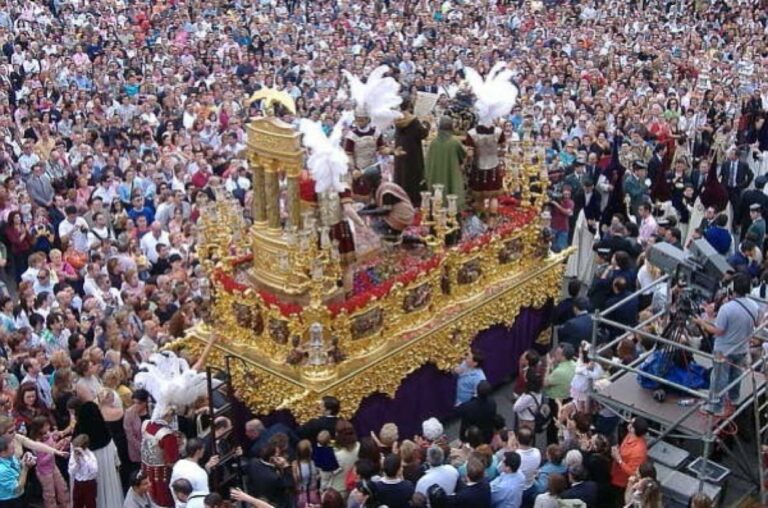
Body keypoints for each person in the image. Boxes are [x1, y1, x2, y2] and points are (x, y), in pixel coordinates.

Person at [693, 273, 760, 415]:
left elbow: (718, 331)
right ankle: (734, 398)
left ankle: (715, 407)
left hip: (723, 350)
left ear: (733, 288)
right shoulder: (754, 306)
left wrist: (701, 323)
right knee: (736, 375)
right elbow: (755, 324)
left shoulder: (727, 309)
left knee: (719, 379)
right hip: (742, 348)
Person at [393, 98, 430, 206]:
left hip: (400, 148)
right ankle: (414, 199)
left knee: (401, 173)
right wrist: (427, 124)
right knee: (413, 174)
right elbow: (422, 134)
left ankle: (400, 197)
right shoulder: (413, 120)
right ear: (409, 105)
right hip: (413, 150)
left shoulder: (397, 118)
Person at [425, 116, 466, 210]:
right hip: (451, 172)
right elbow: (462, 155)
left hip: (435, 175)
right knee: (452, 193)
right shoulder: (454, 142)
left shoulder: (433, 143)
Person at [609, 417, 649, 505]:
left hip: (621, 483)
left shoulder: (639, 451)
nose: (629, 423)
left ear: (633, 429)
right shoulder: (630, 435)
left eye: (631, 423)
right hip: (615, 472)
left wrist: (619, 459)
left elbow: (633, 472)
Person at [69, 433, 99, 508]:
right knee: (77, 504)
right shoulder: (73, 455)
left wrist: (84, 457)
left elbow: (94, 470)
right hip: (78, 483)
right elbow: (71, 472)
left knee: (91, 504)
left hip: (89, 484)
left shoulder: (90, 455)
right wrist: (76, 462)